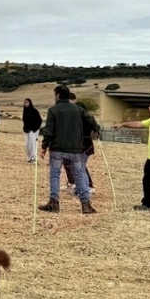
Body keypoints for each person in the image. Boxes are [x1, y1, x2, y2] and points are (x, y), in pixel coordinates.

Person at [38, 85, 98, 214]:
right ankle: (86, 204)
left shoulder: (53, 110)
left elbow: (49, 130)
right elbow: (91, 120)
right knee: (79, 175)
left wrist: (44, 146)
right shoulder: (79, 109)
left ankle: (54, 203)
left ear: (58, 95)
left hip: (57, 148)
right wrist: (96, 129)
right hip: (75, 148)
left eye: (55, 95)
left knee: (55, 174)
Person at [22, 98, 43, 163]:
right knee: (27, 144)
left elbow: (40, 120)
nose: (25, 104)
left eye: (27, 102)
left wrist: (35, 129)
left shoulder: (34, 111)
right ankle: (29, 157)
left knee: (33, 144)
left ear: (30, 103)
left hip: (33, 130)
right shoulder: (25, 111)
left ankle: (34, 158)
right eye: (24, 102)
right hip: (27, 130)